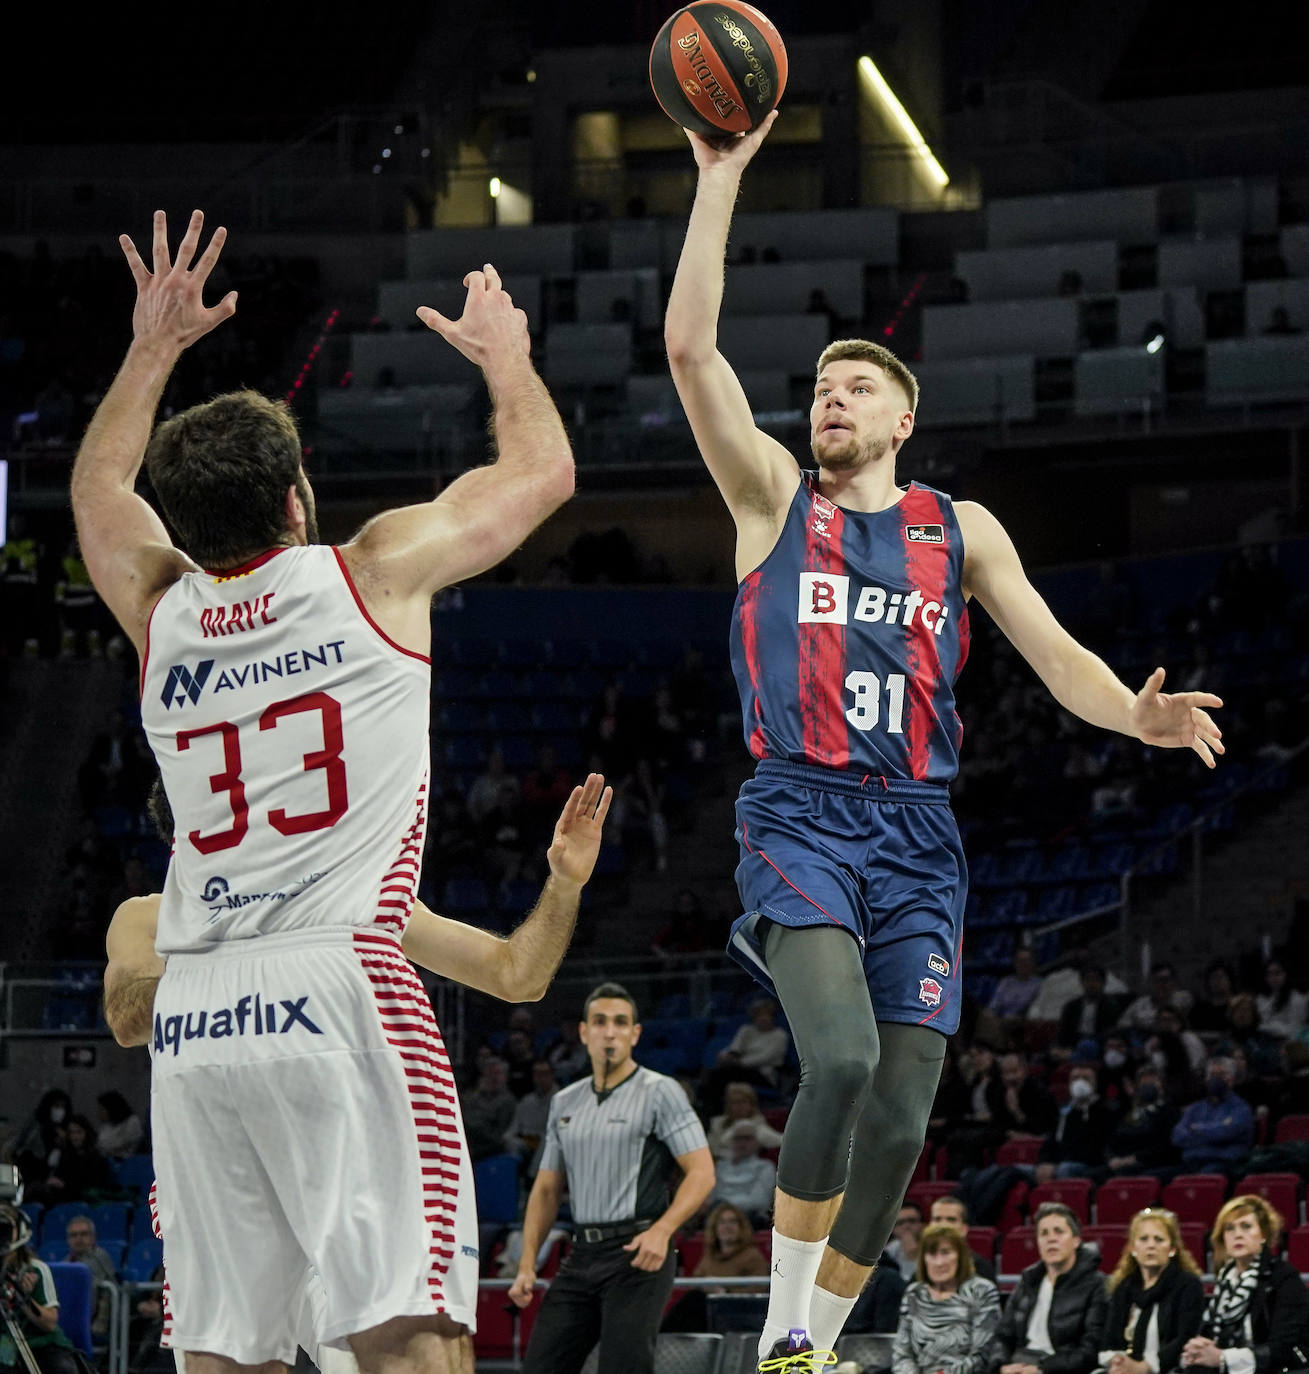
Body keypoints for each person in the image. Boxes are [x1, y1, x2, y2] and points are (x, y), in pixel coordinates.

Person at [663, 111, 1223, 1374]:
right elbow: (690, 348)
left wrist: (1131, 714)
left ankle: (813, 1336)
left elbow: (1059, 654)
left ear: (901, 417)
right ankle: (782, 1330)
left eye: (854, 385)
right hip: (800, 808)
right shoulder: (767, 501)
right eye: (818, 387)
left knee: (906, 1111)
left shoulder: (957, 530)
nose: (828, 398)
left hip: (918, 832)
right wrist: (716, 183)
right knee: (844, 1058)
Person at [72, 209, 576, 1374]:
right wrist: (506, 358)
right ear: (298, 496)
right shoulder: (371, 572)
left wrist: (152, 345)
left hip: (198, 1012)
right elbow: (543, 472)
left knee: (223, 1353)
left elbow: (98, 484)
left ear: (185, 531)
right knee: (408, 1337)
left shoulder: (160, 610)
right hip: (338, 978)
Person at [103, 773, 611, 1374]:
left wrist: (565, 882)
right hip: (224, 1172)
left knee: (383, 1356)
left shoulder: (335, 895)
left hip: (332, 1173)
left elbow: (516, 974)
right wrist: (245, 955)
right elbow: (127, 1017)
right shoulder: (149, 915)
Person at [508, 983, 715, 1374]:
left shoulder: (661, 1092)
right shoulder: (564, 1101)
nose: (610, 1031)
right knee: (540, 1366)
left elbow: (702, 1173)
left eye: (621, 1023)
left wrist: (663, 1230)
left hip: (638, 1253)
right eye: (600, 1022)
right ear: (584, 1032)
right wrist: (526, 1264)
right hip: (582, 1253)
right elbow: (548, 1187)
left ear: (635, 1034)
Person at [1179, 1195, 1309, 1374]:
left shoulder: (1284, 1280)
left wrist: (1222, 1357)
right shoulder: (1225, 1281)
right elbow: (1212, 1336)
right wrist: (1199, 1348)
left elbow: (1282, 1348)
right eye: (1229, 1228)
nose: (1237, 1234)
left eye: (1246, 1227)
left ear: (1263, 1234)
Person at [985, 1203, 1107, 1374]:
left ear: (1076, 1241)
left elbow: (1090, 1349)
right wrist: (1001, 1366)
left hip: (1058, 1368)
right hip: (1019, 1364)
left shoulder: (1096, 1284)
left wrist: (1043, 1369)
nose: (1051, 1239)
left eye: (1059, 1232)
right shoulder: (1027, 1282)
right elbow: (1003, 1336)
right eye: (1044, 1233)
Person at [1099, 1207, 1204, 1374]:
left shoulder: (1188, 1286)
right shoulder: (1124, 1287)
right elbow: (1109, 1340)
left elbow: (1185, 1340)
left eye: (1159, 1239)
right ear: (1133, 1248)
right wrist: (1118, 1362)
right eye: (1143, 1239)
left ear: (1172, 1249)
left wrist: (1145, 1367)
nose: (1151, 1245)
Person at [891, 1224, 1001, 1374]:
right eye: (932, 1254)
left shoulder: (981, 1290)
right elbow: (901, 1353)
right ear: (923, 1259)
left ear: (960, 1256)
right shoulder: (914, 1293)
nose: (939, 1262)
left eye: (946, 1253)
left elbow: (982, 1355)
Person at [0, 1205, 80, 1374]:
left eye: (5, 1227)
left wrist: (24, 1300)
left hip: (39, 1344)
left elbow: (49, 1324)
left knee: (62, 1369)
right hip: (4, 1346)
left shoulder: (36, 1269)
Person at [702, 998, 791, 1114]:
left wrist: (738, 1062)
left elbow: (765, 1058)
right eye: (759, 1015)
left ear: (773, 1017)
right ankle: (710, 1110)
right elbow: (734, 1048)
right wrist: (726, 1055)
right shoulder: (746, 1030)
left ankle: (714, 1113)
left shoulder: (780, 1036)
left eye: (766, 1015)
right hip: (738, 1069)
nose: (763, 1018)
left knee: (721, 1075)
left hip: (763, 1074)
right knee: (714, 1074)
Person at [1170, 1058, 1254, 1176]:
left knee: (1202, 1179)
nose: (1216, 1078)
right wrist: (1212, 1131)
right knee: (1153, 1176)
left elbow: (1226, 1132)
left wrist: (1196, 1129)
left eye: (1222, 1074)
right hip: (1191, 1162)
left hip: (1223, 1163)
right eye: (1212, 1074)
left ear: (1232, 1079)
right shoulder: (1195, 1108)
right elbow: (1177, 1136)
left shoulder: (1241, 1108)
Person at [1036, 1062, 1116, 1181]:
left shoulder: (1106, 1112)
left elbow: (1098, 1149)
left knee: (1065, 1169)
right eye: (1075, 1078)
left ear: (1095, 1083)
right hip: (1058, 1165)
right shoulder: (1064, 1112)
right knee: (1012, 1171)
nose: (1080, 1082)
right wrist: (1045, 1163)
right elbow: (1050, 1143)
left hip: (1088, 1167)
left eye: (1085, 1078)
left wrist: (1057, 1165)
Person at [706, 1121, 777, 1227]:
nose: (742, 1143)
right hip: (717, 1216)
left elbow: (760, 1201)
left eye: (747, 1138)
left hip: (749, 1219)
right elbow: (712, 1197)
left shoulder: (765, 1167)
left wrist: (724, 1204)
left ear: (757, 1143)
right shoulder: (721, 1167)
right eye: (738, 1138)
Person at [63, 1214, 118, 1343]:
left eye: (84, 1234)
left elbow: (108, 1290)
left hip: (92, 1322)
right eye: (74, 1235)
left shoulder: (100, 1257)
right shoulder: (66, 1261)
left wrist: (101, 1322)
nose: (79, 1239)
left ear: (93, 1237)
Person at [503, 1061, 558, 1177]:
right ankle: (513, 1181)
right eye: (537, 1075)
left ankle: (532, 1179)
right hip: (527, 1140)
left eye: (544, 1074)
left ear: (551, 1076)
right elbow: (513, 1128)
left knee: (547, 1141)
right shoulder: (526, 1101)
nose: (540, 1079)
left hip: (548, 1142)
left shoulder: (561, 1099)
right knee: (509, 1140)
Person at [1055, 967, 1127, 1053]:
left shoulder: (1111, 1006)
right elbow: (1062, 1032)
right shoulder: (1071, 1006)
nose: (1091, 984)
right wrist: (1057, 1048)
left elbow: (1110, 1033)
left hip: (1098, 1047)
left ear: (1103, 983)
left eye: (1096, 980)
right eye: (1088, 980)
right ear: (1082, 982)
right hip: (1072, 1045)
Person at [707, 1082, 785, 1160]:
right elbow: (711, 1150)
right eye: (734, 1102)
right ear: (728, 1105)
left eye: (743, 1101)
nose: (739, 1106)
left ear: (752, 1105)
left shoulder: (758, 1123)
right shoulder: (717, 1123)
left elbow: (780, 1141)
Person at [929, 1195, 996, 1282]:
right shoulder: (922, 1267)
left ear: (964, 1229)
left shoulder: (981, 1269)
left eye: (951, 1219)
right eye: (937, 1219)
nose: (943, 1225)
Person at [1119, 967, 1195, 1034]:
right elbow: (1122, 1025)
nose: (1161, 984)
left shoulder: (1183, 997)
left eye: (1165, 980)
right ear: (1151, 983)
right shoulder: (1140, 1003)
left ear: (1173, 981)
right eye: (1157, 980)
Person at [1254, 960, 1306, 1042]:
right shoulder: (1261, 998)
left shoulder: (1296, 999)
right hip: (1264, 1042)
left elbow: (1295, 1030)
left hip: (1289, 1043)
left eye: (1277, 973)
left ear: (1285, 974)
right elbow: (1258, 1023)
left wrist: (1271, 1028)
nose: (1273, 978)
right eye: (1269, 974)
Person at [94, 1091, 145, 1159]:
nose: (99, 1113)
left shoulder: (132, 1121)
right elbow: (100, 1144)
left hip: (126, 1160)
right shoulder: (106, 1126)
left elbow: (118, 1144)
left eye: (102, 1109)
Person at [885, 1202, 925, 1283]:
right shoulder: (889, 1249)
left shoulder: (931, 1244)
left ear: (922, 1224)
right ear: (892, 1229)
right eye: (900, 1223)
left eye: (912, 1221)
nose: (906, 1226)